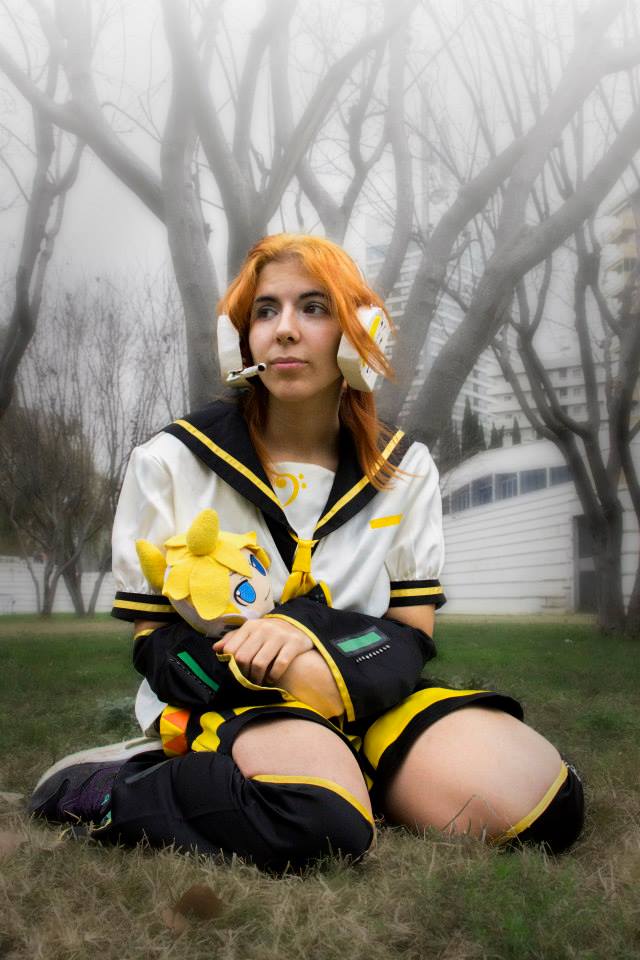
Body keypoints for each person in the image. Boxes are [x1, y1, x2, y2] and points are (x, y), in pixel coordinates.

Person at [29, 234, 583, 872]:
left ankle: (350, 770)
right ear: (240, 340)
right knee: (319, 823)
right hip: (229, 697)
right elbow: (152, 643)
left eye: (314, 308)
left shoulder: (406, 468)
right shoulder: (171, 461)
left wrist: (305, 630)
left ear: (357, 333)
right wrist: (260, 666)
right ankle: (111, 786)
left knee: (545, 809)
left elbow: (412, 635)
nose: (285, 330)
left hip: (363, 687)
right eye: (266, 311)